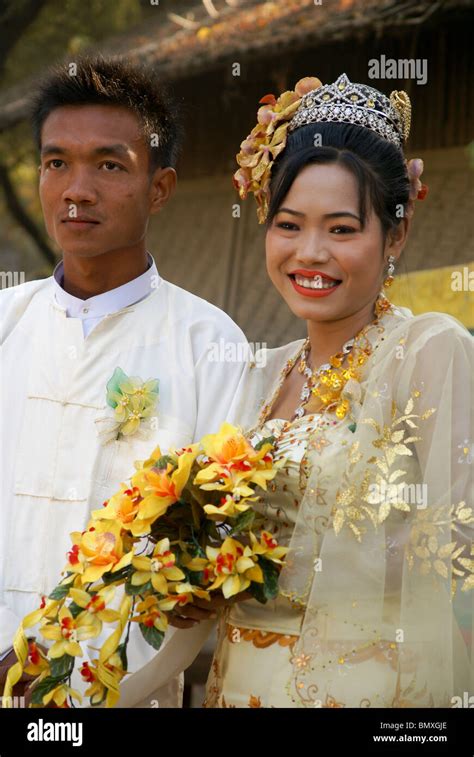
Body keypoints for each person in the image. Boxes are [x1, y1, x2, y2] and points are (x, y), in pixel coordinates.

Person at [200, 72, 473, 707]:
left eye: (342, 230)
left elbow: (457, 571)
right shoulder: (261, 375)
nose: (310, 252)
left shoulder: (429, 353)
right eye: (289, 225)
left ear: (395, 236)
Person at [0, 56, 252, 708]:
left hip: (126, 693)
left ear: (159, 187)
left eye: (109, 165)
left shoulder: (211, 344)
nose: (76, 189)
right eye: (57, 162)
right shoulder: (5, 322)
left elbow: (212, 556)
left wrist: (80, 684)